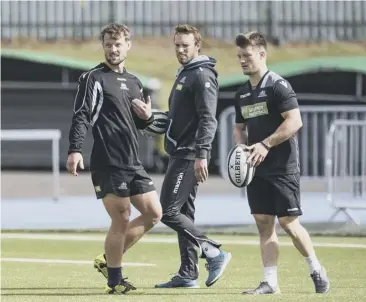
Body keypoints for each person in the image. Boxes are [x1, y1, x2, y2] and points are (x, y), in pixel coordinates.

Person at [66, 23, 162, 295]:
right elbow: (82, 115)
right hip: (108, 161)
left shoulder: (134, 82)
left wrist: (148, 117)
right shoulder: (93, 78)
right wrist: (75, 149)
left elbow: (141, 125)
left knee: (155, 213)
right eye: (108, 44)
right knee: (121, 217)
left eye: (118, 44)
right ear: (103, 46)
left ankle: (109, 261)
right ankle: (115, 280)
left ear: (128, 45)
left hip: (133, 162)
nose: (113, 49)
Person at [232, 31, 330, 295]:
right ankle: (270, 283)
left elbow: (294, 121)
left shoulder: (278, 85)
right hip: (256, 169)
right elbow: (239, 127)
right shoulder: (241, 94)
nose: (242, 60)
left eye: (247, 56)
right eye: (239, 56)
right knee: (264, 223)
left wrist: (266, 144)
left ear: (262, 54)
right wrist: (241, 147)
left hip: (282, 166)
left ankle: (316, 268)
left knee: (289, 224)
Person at [154, 24, 232, 289]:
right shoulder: (185, 74)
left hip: (189, 155)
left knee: (167, 211)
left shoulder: (201, 76)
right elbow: (179, 119)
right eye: (177, 45)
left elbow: (208, 119)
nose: (180, 49)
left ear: (197, 45)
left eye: (185, 45)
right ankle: (188, 273)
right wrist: (148, 118)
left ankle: (213, 252)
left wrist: (202, 155)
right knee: (184, 213)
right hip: (180, 153)